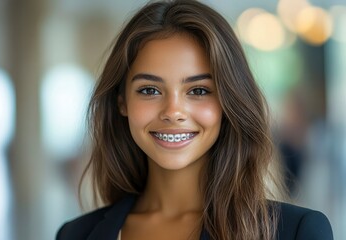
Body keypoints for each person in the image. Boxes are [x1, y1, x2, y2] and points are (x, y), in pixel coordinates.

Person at [56, 1, 333, 239]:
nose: (173, 110)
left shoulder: (296, 232)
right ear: (122, 102)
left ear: (228, 102)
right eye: (149, 90)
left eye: (198, 90)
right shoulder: (75, 234)